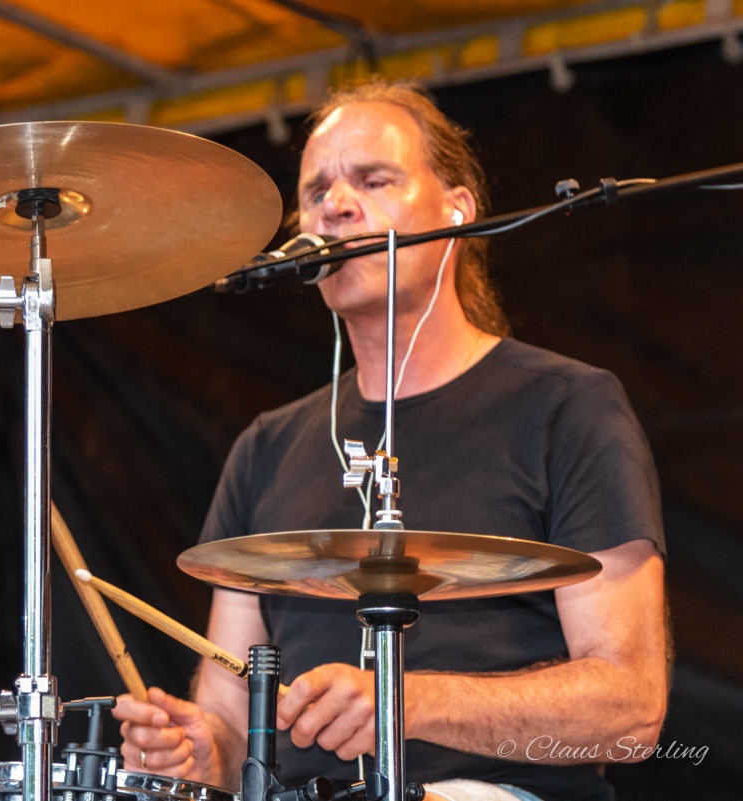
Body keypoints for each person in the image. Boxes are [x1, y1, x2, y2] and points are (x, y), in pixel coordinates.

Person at [112, 81, 668, 801]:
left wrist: (402, 702)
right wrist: (196, 752)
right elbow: (230, 722)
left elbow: (630, 706)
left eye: (373, 180)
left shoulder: (567, 407)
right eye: (316, 192)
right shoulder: (266, 447)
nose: (336, 206)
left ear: (458, 210)